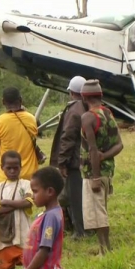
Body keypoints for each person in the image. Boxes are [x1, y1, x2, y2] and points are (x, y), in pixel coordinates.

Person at [80, 79, 124, 255]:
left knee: (98, 215)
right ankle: (104, 248)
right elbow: (119, 145)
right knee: (101, 209)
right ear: (100, 95)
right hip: (108, 171)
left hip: (93, 173)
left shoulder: (88, 117)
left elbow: (92, 149)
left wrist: (95, 177)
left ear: (84, 97)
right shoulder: (108, 114)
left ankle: (104, 250)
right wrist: (105, 156)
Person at [50, 76, 87, 239]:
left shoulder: (73, 110)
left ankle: (80, 231)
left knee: (75, 197)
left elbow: (68, 137)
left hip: (73, 161)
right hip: (85, 159)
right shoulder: (87, 107)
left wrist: (62, 161)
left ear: (71, 92)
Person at [0, 150, 35, 269]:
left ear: (20, 167)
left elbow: (28, 202)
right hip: (4, 236)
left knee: (29, 267)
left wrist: (7, 202)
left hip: (23, 234)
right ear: (2, 167)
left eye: (15, 167)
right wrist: (17, 204)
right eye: (8, 168)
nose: (12, 171)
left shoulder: (26, 184)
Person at [21, 167, 66, 269]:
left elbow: (44, 250)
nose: (32, 196)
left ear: (50, 192)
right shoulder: (49, 214)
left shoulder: (51, 217)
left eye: (35, 191)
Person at [0, 87, 42, 183]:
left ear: (3, 102)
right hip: (30, 176)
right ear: (21, 100)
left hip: (6, 177)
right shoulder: (31, 119)